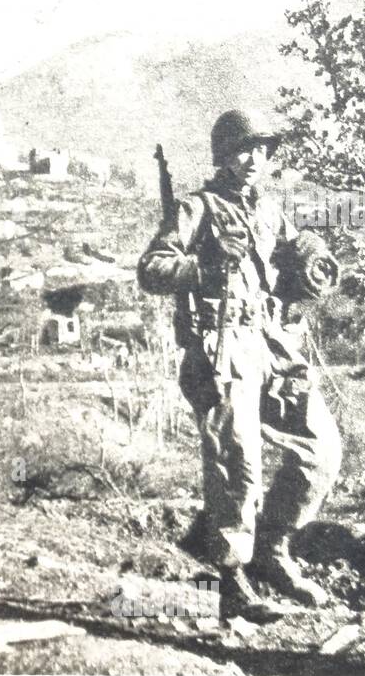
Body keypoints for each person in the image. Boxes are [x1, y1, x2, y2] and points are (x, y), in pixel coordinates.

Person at [137, 109, 342, 622]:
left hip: (272, 343)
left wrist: (312, 257)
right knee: (238, 465)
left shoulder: (270, 211)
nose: (254, 159)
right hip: (223, 346)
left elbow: (295, 256)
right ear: (222, 156)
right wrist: (203, 267)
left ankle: (272, 551)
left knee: (321, 450)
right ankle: (229, 579)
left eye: (263, 150)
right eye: (242, 149)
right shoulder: (197, 207)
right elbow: (152, 269)